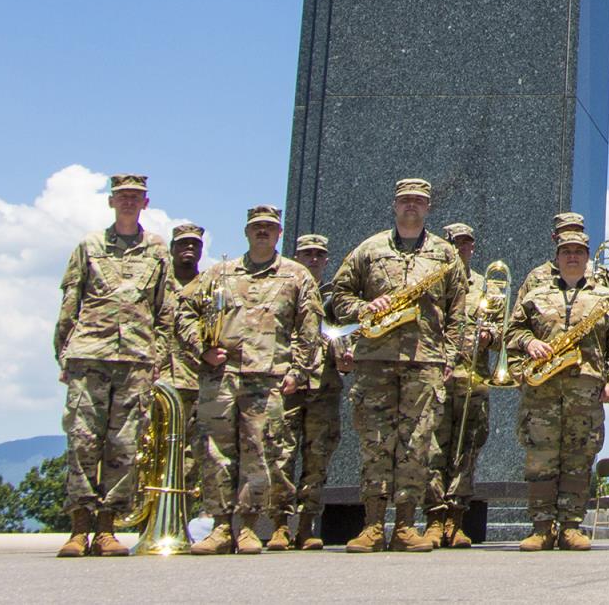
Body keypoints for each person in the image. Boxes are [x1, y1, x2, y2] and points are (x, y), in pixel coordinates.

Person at [328, 176, 468, 553]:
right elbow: (337, 297)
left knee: (417, 444)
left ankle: (406, 524)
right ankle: (372, 525)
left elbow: (458, 312)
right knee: (375, 443)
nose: (411, 206)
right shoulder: (369, 249)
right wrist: (363, 308)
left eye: (418, 202)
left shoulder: (445, 255)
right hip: (375, 361)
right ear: (394, 204)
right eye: (405, 200)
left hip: (425, 362)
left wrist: (450, 357)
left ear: (428, 208)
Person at [179, 206, 321, 555]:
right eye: (257, 227)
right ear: (246, 232)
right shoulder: (219, 273)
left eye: (269, 228)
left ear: (280, 233)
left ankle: (246, 526)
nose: (262, 233)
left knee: (261, 454)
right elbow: (182, 311)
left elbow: (309, 328)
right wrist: (202, 349)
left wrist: (298, 370)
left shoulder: (297, 275)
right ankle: (219, 527)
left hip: (268, 379)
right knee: (215, 455)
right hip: (222, 377)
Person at [53, 171, 174, 558]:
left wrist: (160, 357)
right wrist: (63, 355)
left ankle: (107, 527)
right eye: (122, 196)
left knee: (124, 445)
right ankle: (78, 526)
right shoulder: (89, 246)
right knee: (82, 441)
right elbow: (69, 304)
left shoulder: (157, 249)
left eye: (135, 197)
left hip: (136, 359)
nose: (128, 202)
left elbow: (165, 310)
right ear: (111, 201)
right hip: (89, 356)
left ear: (146, 203)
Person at [508, 225, 609, 550]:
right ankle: (541, 527)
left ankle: (572, 526)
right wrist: (529, 344)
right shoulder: (536, 294)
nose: (572, 257)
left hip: (585, 390)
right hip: (542, 391)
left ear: (588, 257)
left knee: (579, 457)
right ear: (557, 257)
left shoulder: (605, 298)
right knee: (540, 459)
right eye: (566, 252)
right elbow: (512, 334)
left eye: (578, 252)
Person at [425, 222, 500, 547]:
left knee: (467, 450)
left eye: (466, 244)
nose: (460, 249)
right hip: (436, 379)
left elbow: (503, 329)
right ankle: (432, 518)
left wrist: (489, 335)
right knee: (432, 449)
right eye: (454, 244)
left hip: (473, 380)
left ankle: (455, 517)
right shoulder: (430, 286)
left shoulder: (486, 287)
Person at [286, 233, 348, 550]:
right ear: (296, 256)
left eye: (318, 255)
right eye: (307, 254)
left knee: (317, 458)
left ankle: (307, 525)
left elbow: (349, 333)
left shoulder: (336, 297)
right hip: (287, 383)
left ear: (326, 261)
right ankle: (280, 524)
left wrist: (346, 353)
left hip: (324, 386)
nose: (312, 259)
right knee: (279, 455)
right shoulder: (282, 287)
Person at [165, 223, 206, 512]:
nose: (188, 249)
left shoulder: (208, 286)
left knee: (190, 455)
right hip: (156, 379)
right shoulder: (157, 284)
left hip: (192, 380)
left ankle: (177, 516)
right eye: (182, 244)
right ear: (172, 248)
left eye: (194, 245)